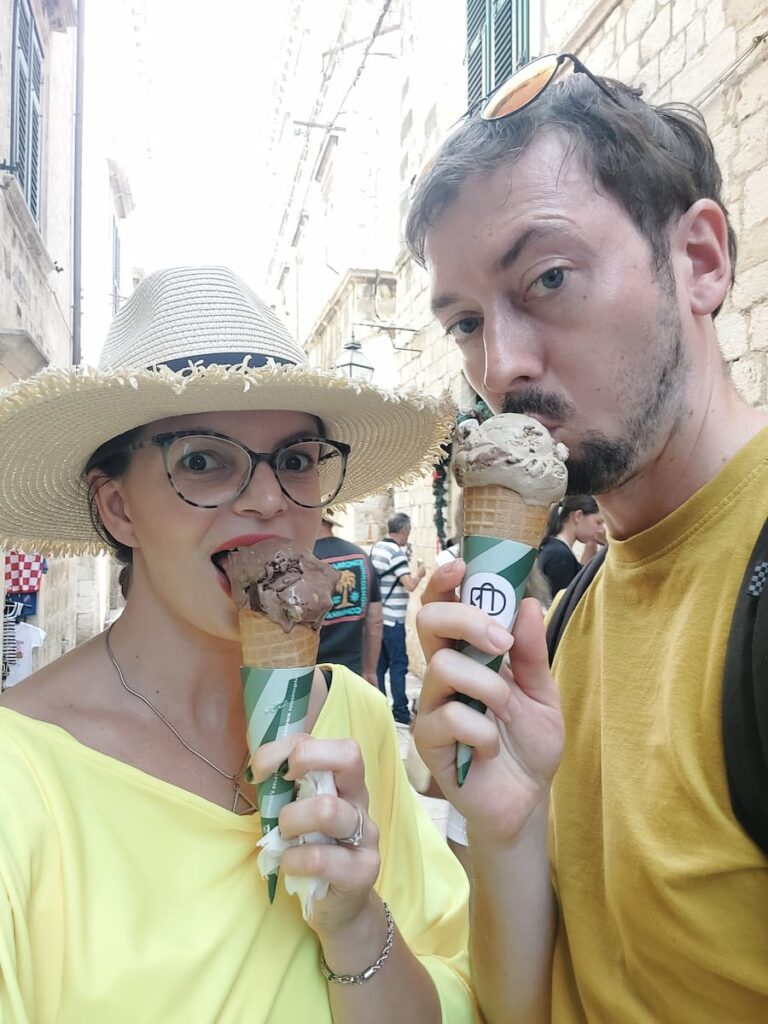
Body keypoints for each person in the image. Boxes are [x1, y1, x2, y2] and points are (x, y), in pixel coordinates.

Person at [0, 267, 477, 1023]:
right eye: (201, 460)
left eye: (296, 459)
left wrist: (356, 924)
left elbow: (453, 992)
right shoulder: (19, 779)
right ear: (118, 507)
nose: (267, 499)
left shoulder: (351, 720)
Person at [407, 54, 768, 1024]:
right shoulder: (566, 618)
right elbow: (520, 1006)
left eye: (548, 278)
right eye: (465, 323)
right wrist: (506, 826)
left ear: (699, 262)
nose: (499, 366)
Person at [314, 511, 383, 684]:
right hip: (352, 674)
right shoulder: (361, 556)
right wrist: (370, 671)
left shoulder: (303, 560)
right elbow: (375, 622)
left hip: (311, 676)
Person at [371, 513, 426, 725]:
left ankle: (379, 708)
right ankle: (400, 711)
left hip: (378, 618)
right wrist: (420, 573)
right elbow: (409, 585)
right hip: (393, 619)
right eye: (408, 532)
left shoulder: (378, 548)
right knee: (399, 664)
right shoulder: (395, 553)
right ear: (403, 531)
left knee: (380, 665)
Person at [537, 495, 604, 597]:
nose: (601, 530)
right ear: (578, 516)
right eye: (598, 522)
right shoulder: (560, 555)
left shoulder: (552, 548)